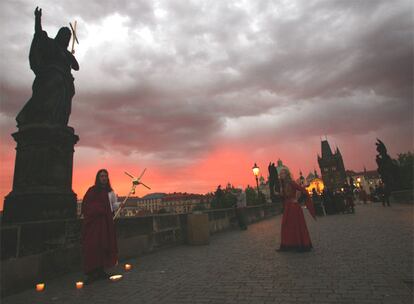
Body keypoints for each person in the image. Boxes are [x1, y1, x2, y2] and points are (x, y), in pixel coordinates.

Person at [16, 7, 79, 127]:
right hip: (50, 74)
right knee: (55, 82)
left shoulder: (66, 53)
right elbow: (39, 34)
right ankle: (42, 117)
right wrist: (37, 19)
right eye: (65, 36)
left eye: (68, 37)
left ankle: (57, 120)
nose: (66, 39)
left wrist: (71, 56)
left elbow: (76, 67)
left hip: (65, 80)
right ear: (60, 35)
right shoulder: (51, 43)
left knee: (64, 90)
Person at [81, 169, 118, 284]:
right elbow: (86, 205)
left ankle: (101, 270)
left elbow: (113, 206)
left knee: (103, 245)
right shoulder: (92, 190)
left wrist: (120, 204)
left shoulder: (110, 192)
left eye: (106, 176)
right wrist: (100, 208)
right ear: (98, 178)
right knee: (92, 246)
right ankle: (92, 272)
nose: (104, 178)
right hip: (93, 224)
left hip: (105, 223)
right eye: (102, 176)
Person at [277, 169, 316, 252]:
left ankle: (299, 245)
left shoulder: (292, 182)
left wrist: (298, 200)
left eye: (282, 173)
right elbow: (285, 196)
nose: (281, 175)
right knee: (286, 225)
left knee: (295, 226)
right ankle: (287, 245)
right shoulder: (282, 185)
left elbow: (303, 190)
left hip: (294, 207)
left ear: (286, 174)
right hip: (287, 207)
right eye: (280, 174)